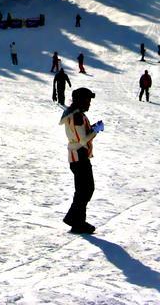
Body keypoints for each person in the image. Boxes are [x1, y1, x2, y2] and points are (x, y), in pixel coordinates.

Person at [60, 88, 102, 234]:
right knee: (86, 189)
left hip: (76, 156)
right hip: (79, 155)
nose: (89, 103)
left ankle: (76, 220)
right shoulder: (77, 116)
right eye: (87, 100)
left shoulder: (74, 114)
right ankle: (77, 221)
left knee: (84, 189)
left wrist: (92, 129)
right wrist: (95, 130)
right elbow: (82, 139)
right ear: (80, 101)